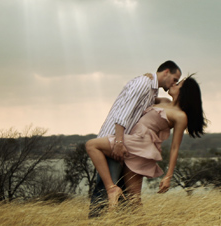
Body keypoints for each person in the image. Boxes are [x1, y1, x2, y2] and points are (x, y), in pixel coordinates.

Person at [86, 75, 206, 208]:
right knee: (134, 200)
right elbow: (143, 95)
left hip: (139, 144)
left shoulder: (180, 116)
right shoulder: (164, 101)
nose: (173, 85)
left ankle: (111, 188)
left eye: (178, 85)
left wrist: (168, 176)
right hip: (135, 143)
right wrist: (148, 78)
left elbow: (175, 147)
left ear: (185, 92)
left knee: (91, 145)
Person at [88, 61, 182, 217]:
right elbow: (123, 113)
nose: (174, 83)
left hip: (125, 143)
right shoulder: (144, 83)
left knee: (123, 192)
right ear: (166, 72)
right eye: (174, 79)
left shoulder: (152, 91)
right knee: (104, 189)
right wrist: (118, 141)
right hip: (114, 139)